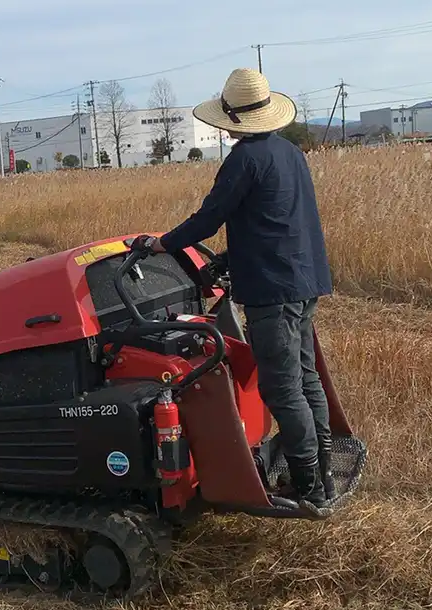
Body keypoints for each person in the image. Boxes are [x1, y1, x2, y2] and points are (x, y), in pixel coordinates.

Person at [136, 68, 335, 508]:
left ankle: (309, 487)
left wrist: (160, 244)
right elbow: (276, 224)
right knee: (305, 378)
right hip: (304, 281)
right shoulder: (289, 153)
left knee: (282, 389)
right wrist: (226, 261)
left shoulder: (245, 160)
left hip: (273, 291)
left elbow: (210, 218)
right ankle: (324, 468)